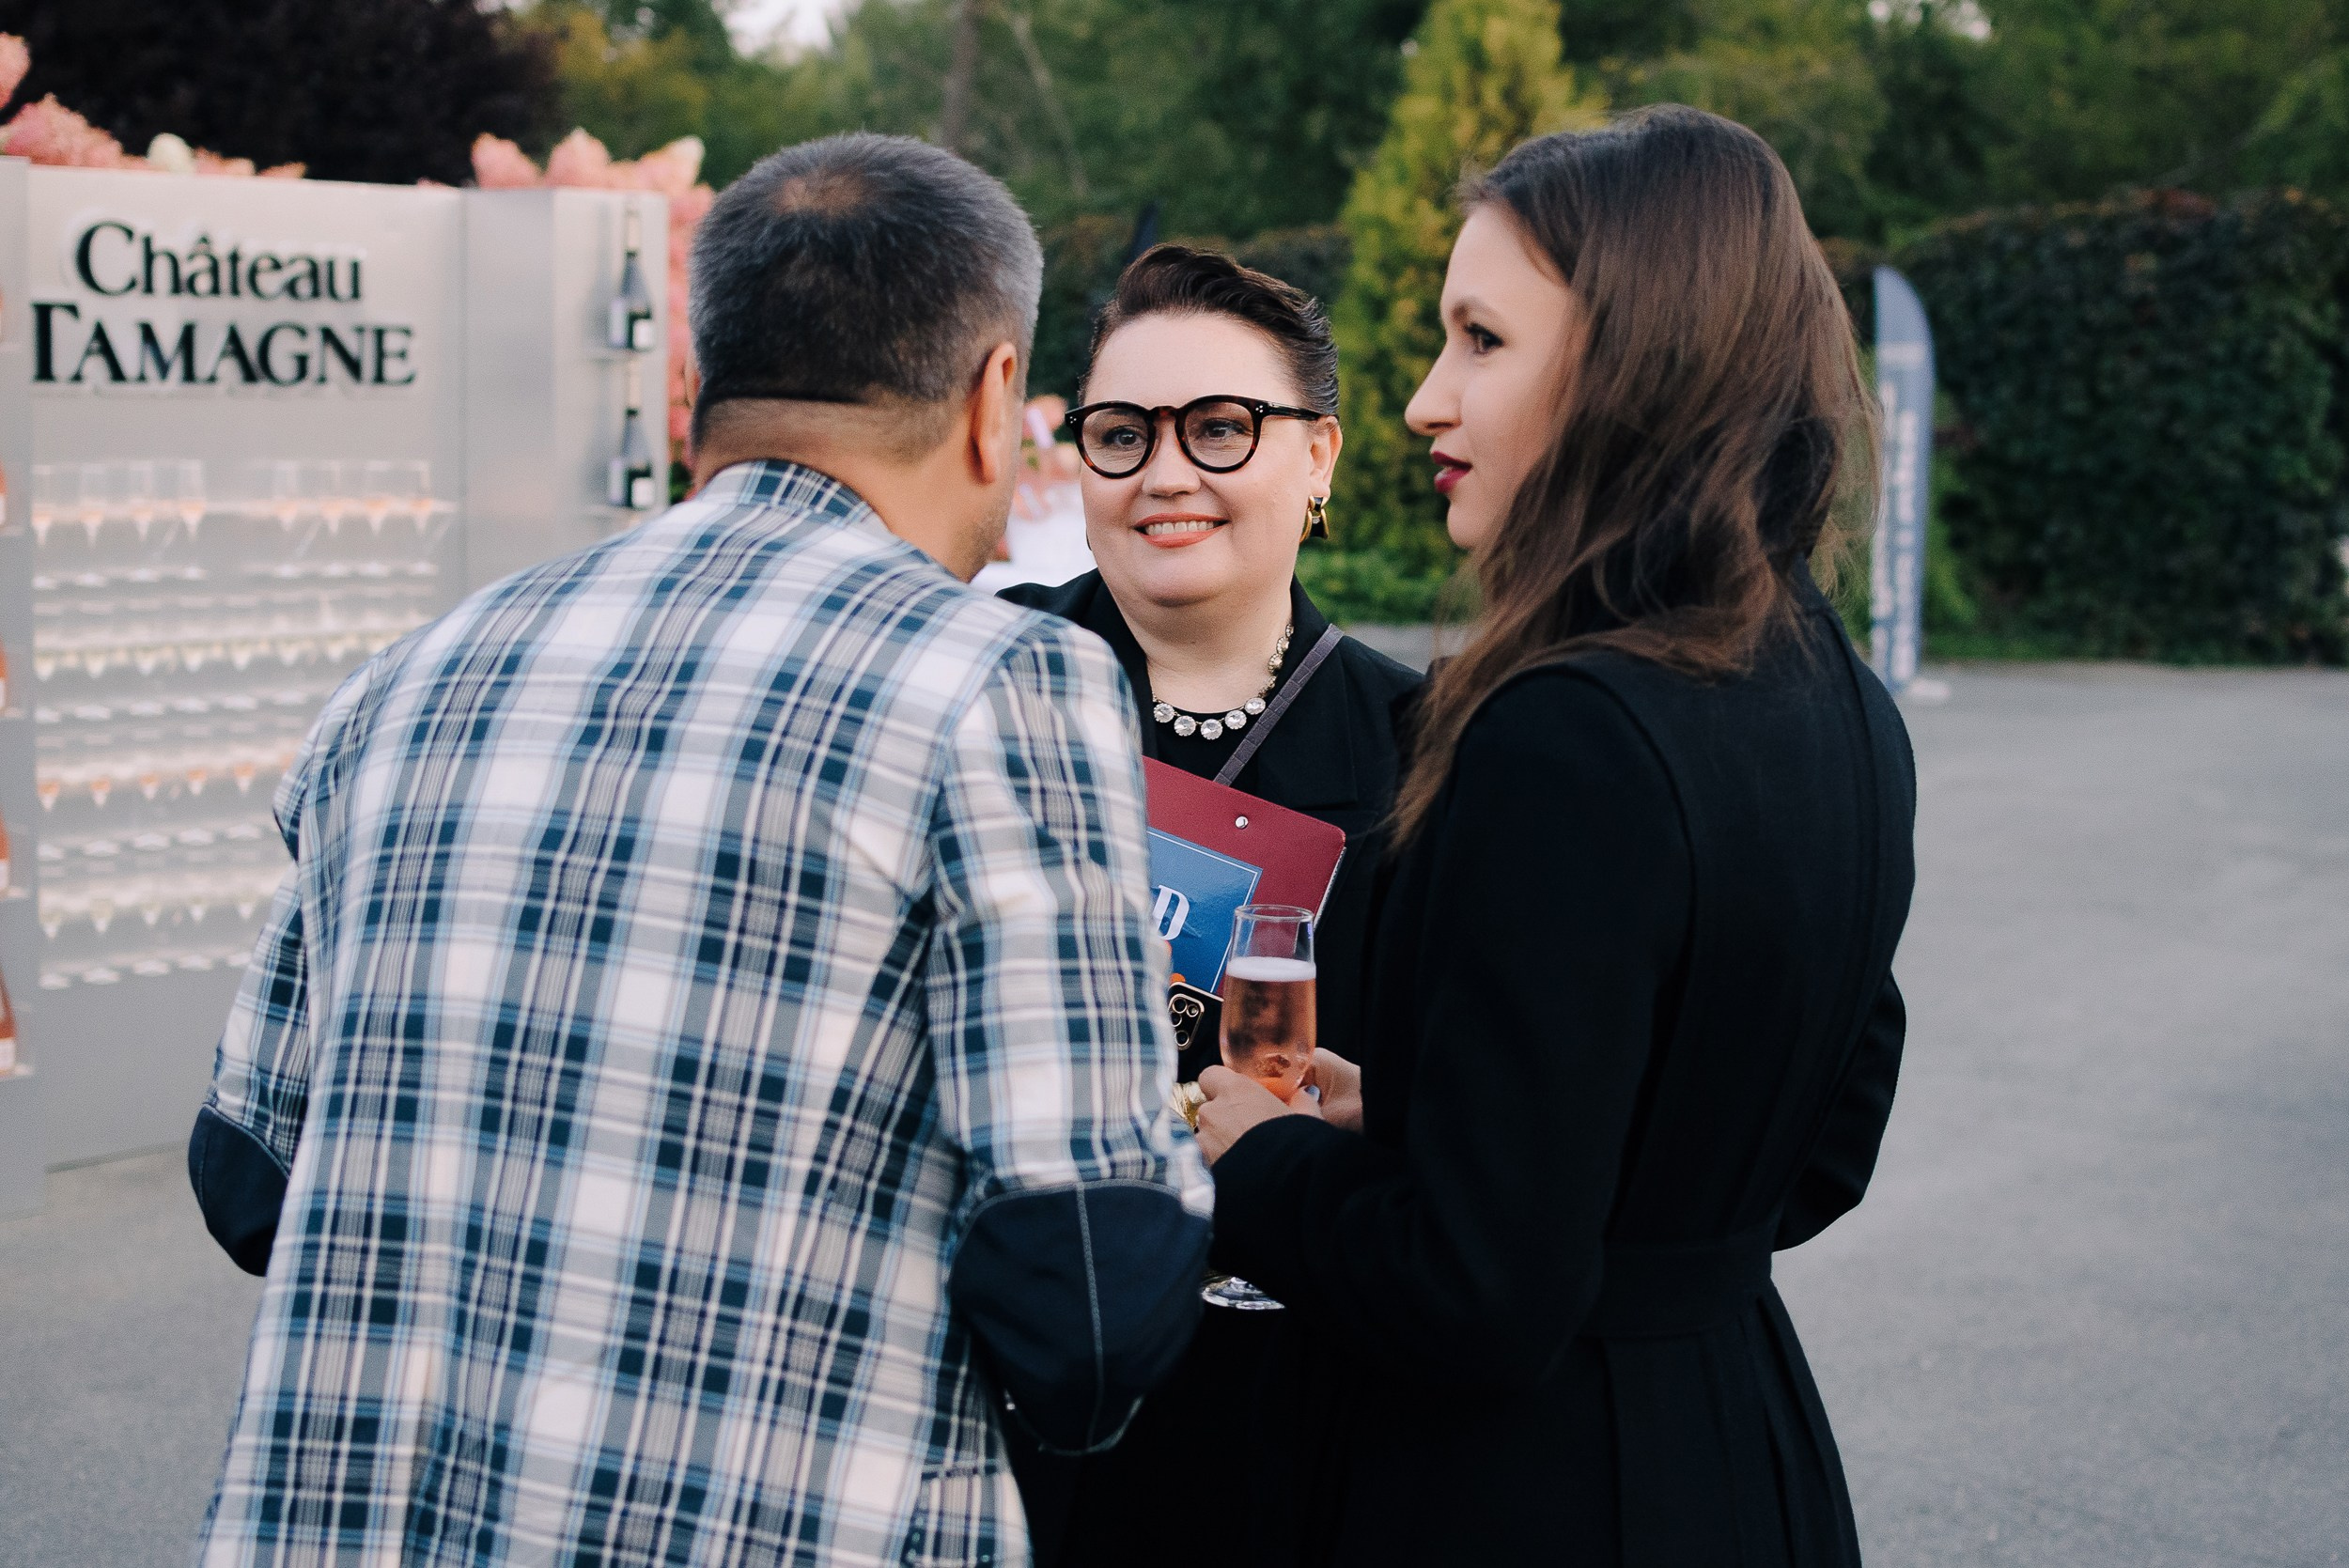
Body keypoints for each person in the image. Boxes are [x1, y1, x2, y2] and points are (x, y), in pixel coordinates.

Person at [184, 132, 1211, 1568]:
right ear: (995, 401)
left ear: (699, 381)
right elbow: (1085, 1296)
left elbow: (247, 1173)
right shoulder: (1000, 683)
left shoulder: (412, 675)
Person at [1192, 105, 1918, 1566]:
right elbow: (1815, 1142)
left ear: (1637, 363)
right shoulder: (1840, 695)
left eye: (1482, 339)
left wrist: (1262, 1157)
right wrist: (1422, 1119)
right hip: (1746, 1448)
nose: (1424, 402)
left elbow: (1477, 1293)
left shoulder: (1563, 734)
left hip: (1531, 1490)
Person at [996, 246, 1420, 1568]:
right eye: (1123, 434)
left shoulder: (1427, 748)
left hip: (1292, 1408)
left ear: (1319, 458)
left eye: (1221, 428)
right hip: (1005, 1380)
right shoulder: (980, 687)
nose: (1166, 473)